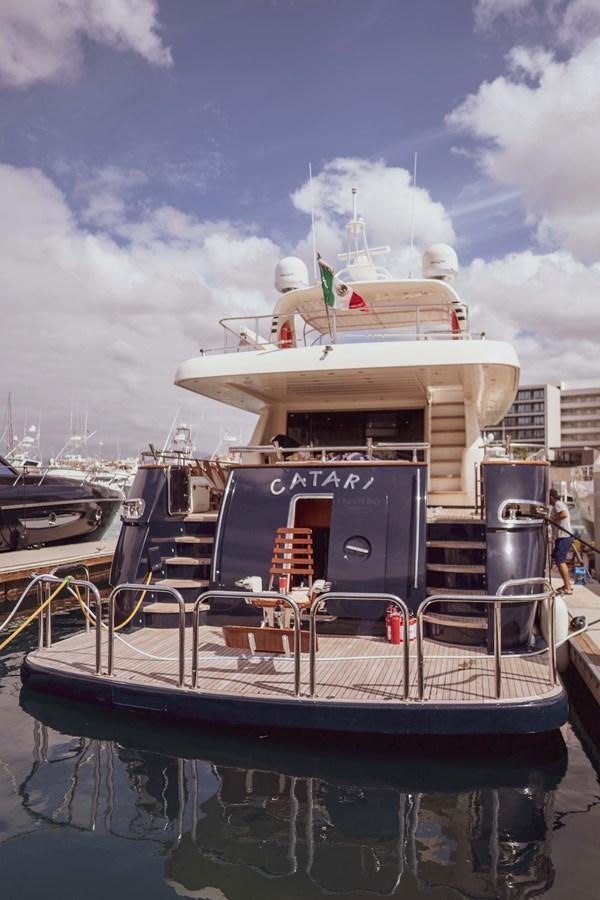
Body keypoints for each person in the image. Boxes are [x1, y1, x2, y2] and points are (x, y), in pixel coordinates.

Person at [549, 488, 573, 594]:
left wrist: (551, 519)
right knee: (557, 558)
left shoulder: (558, 504)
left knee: (560, 561)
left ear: (551, 497)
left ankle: (568, 587)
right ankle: (567, 584)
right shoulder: (559, 504)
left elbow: (563, 514)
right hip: (562, 537)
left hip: (564, 537)